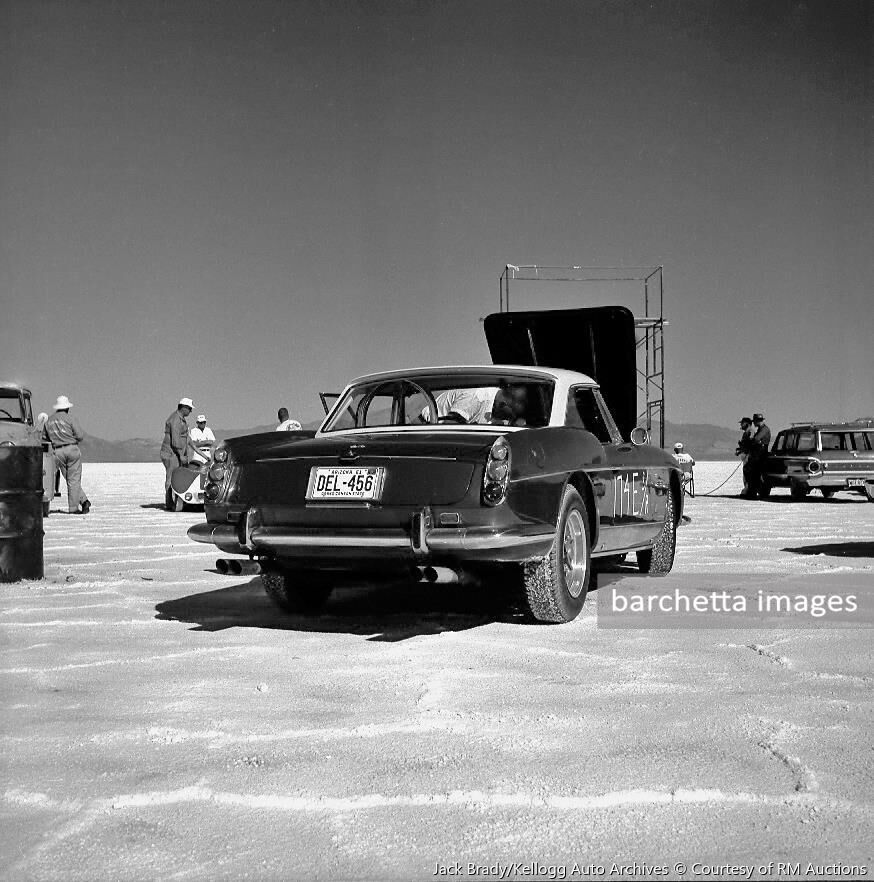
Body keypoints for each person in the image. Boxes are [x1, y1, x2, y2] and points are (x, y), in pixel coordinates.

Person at [43, 395, 91, 514]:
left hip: (57, 452)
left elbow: (44, 437)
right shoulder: (70, 419)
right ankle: (74, 508)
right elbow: (80, 436)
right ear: (67, 408)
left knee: (70, 480)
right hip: (71, 450)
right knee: (73, 480)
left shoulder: (49, 420)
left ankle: (84, 500)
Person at [161, 397, 193, 510]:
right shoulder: (175, 420)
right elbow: (175, 441)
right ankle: (170, 503)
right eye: (189, 408)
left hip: (176, 453)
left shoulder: (181, 419)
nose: (190, 411)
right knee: (171, 478)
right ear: (183, 408)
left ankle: (176, 502)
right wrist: (181, 455)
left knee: (177, 478)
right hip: (172, 454)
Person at [745, 412, 771, 498]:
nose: (754, 424)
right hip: (757, 455)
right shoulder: (760, 429)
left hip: (760, 455)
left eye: (755, 422)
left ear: (758, 421)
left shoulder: (764, 429)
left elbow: (756, 439)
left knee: (756, 474)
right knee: (753, 474)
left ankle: (757, 492)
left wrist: (752, 441)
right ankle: (753, 492)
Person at [736, 417, 754, 495]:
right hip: (745, 456)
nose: (741, 425)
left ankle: (749, 490)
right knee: (746, 474)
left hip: (749, 456)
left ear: (747, 423)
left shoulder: (751, 432)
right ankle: (747, 489)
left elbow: (751, 444)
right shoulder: (745, 433)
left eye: (742, 423)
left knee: (749, 474)